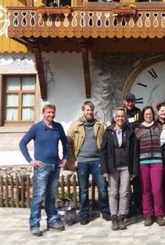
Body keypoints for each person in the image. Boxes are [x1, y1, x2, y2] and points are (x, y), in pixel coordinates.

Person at [18, 104, 68, 237]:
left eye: (53, 112)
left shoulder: (58, 127)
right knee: (38, 197)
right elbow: (22, 143)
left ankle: (52, 221)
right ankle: (34, 224)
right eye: (48, 113)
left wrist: (65, 158)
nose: (51, 115)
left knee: (51, 196)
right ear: (43, 113)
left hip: (55, 167)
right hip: (41, 167)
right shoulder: (37, 128)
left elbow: (65, 143)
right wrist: (30, 160)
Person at [66, 101, 110, 225]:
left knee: (102, 188)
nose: (89, 112)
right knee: (83, 190)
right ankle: (84, 213)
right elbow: (67, 144)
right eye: (87, 110)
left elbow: (105, 144)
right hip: (82, 162)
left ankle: (105, 211)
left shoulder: (100, 125)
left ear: (93, 111)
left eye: (91, 110)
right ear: (83, 111)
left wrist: (104, 161)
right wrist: (72, 161)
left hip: (97, 161)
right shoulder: (75, 125)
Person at [100, 107, 139, 231]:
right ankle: (114, 217)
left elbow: (134, 152)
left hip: (126, 167)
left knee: (124, 192)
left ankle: (122, 216)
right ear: (114, 118)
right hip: (113, 167)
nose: (120, 118)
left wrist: (134, 170)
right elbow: (103, 152)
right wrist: (104, 169)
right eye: (118, 116)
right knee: (113, 192)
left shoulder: (130, 131)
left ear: (126, 118)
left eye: (122, 116)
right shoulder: (109, 131)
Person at [134, 106, 165, 226]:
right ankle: (148, 214)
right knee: (145, 190)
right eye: (146, 114)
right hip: (143, 162)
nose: (148, 116)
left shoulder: (159, 128)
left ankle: (159, 214)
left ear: (153, 115)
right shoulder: (138, 130)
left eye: (150, 114)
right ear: (143, 115)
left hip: (157, 161)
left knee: (157, 189)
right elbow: (135, 148)